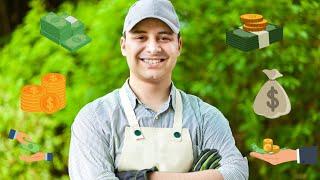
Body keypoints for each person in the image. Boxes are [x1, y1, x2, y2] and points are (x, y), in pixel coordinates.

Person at [68, 0, 249, 179]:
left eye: (164, 37)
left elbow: (237, 172)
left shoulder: (206, 118)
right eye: (141, 37)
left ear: (179, 45)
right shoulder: (95, 119)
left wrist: (148, 177)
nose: (153, 48)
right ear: (123, 45)